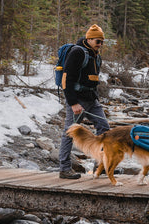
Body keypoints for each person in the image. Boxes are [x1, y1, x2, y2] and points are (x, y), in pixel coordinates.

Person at [59, 24, 110, 179]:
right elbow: (66, 79)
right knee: (70, 133)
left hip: (91, 100)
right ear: (88, 39)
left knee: (104, 129)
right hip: (77, 100)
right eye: (97, 41)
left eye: (102, 42)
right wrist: (73, 103)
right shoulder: (77, 52)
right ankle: (64, 169)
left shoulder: (95, 55)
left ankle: (100, 165)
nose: (100, 45)